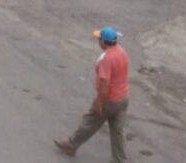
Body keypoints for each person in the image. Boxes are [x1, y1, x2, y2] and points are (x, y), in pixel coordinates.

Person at [56, 27, 131, 162]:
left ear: (103, 41)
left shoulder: (106, 59)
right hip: (123, 99)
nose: (98, 41)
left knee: (89, 122)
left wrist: (99, 103)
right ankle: (120, 160)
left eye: (99, 39)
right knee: (117, 131)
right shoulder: (121, 51)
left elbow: (104, 83)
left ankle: (71, 145)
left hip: (109, 100)